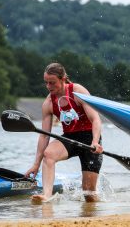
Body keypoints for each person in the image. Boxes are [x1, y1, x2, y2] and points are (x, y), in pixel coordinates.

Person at [25, 62, 104, 202]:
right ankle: (46, 195)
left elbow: (96, 119)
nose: (48, 87)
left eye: (52, 83)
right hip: (70, 138)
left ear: (62, 79)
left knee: (89, 194)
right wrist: (36, 164)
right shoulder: (48, 103)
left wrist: (95, 142)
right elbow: (44, 135)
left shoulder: (77, 91)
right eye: (46, 83)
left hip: (89, 139)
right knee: (48, 154)